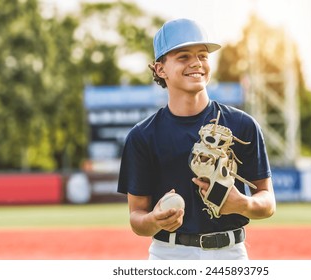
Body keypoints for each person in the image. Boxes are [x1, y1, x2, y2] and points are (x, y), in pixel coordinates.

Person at [117, 18, 276, 260]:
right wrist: (153, 220)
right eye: (183, 57)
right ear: (160, 69)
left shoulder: (242, 125)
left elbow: (267, 201)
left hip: (230, 256)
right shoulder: (142, 136)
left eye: (202, 55)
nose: (196, 63)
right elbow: (136, 217)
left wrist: (241, 203)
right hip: (168, 256)